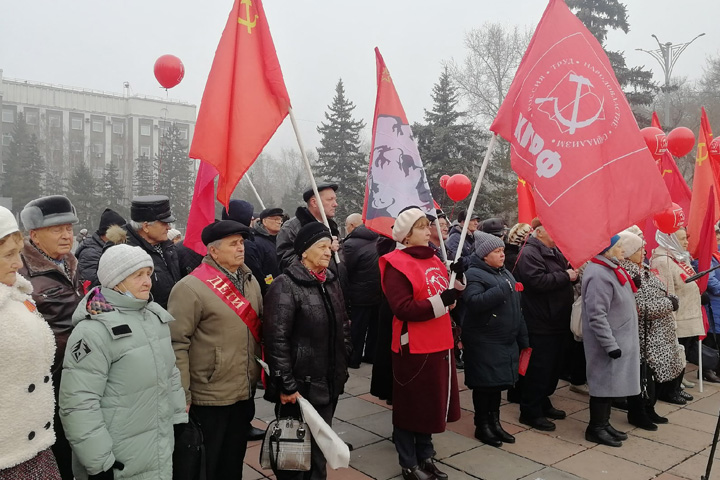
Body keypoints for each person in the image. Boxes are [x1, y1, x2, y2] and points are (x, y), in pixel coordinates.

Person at [59, 244, 187, 479]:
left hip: (157, 445)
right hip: (118, 457)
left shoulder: (154, 317)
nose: (147, 281)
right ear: (115, 280)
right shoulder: (93, 330)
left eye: (148, 273)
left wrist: (178, 420)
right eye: (137, 275)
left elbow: (171, 373)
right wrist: (98, 462)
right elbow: (78, 403)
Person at [168, 220, 263, 479]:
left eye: (242, 243)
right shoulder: (189, 288)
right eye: (233, 244)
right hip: (209, 393)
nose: (240, 248)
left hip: (243, 389)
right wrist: (183, 395)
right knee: (207, 464)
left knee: (233, 461)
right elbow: (177, 343)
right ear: (213, 251)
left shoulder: (250, 279)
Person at [379, 207, 462, 480]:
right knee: (411, 407)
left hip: (439, 343)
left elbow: (447, 296)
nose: (429, 231)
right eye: (422, 227)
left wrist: (457, 279)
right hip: (413, 346)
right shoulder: (395, 263)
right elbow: (403, 308)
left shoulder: (435, 259)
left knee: (431, 405)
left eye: (428, 226)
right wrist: (443, 300)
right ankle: (408, 462)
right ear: (406, 235)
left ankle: (426, 457)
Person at [264, 222, 351, 480]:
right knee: (295, 453)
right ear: (303, 252)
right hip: (301, 387)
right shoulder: (285, 285)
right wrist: (286, 385)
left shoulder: (331, 281)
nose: (328, 251)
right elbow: (276, 338)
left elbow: (344, 323)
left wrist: (345, 355)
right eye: (321, 246)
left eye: (329, 245)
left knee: (319, 451)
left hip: (329, 380)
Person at [19, 195, 83, 480]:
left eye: (68, 228)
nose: (66, 235)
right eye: (57, 229)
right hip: (44, 378)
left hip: (76, 369)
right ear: (34, 235)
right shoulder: (20, 271)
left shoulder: (71, 261)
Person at [0, 207, 61, 479]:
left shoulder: (16, 293)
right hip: (7, 454)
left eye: (18, 253)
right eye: (8, 255)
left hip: (34, 443)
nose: (18, 264)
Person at [463, 231, 529, 447]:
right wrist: (502, 289)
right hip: (485, 341)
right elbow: (473, 301)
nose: (502, 255)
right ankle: (482, 425)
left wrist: (522, 336)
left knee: (497, 386)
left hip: (504, 340)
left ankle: (495, 423)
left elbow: (515, 308)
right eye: (497, 251)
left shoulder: (503, 272)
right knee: (485, 386)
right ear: (484, 256)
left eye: (502, 250)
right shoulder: (474, 274)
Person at [514, 220, 576, 431]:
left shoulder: (553, 250)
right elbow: (537, 281)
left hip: (556, 318)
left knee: (552, 367)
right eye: (552, 229)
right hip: (540, 320)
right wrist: (565, 276)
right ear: (539, 232)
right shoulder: (530, 253)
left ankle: (542, 401)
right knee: (538, 368)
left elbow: (562, 275)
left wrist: (571, 275)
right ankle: (530, 411)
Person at [620, 231, 684, 428]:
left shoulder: (644, 268)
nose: (643, 251)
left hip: (657, 333)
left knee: (652, 375)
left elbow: (664, 292)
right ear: (629, 252)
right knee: (642, 375)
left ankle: (649, 409)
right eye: (639, 248)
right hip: (643, 334)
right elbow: (637, 308)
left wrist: (671, 300)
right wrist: (669, 303)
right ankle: (637, 412)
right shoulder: (628, 273)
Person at [581, 235, 640, 447]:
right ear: (607, 250)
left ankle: (603, 424)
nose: (623, 249)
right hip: (608, 342)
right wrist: (610, 345)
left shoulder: (610, 268)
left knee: (609, 386)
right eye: (619, 246)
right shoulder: (598, 274)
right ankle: (595, 428)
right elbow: (596, 315)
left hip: (618, 338)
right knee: (602, 385)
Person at [651, 228, 704, 403]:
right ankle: (669, 391)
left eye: (685, 238)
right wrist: (670, 319)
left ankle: (676, 388)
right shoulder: (663, 261)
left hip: (689, 315)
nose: (686, 242)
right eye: (682, 239)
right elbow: (668, 292)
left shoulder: (679, 258)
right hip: (678, 317)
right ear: (671, 240)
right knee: (675, 355)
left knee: (684, 354)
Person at [124, 195, 181, 309]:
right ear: (146, 226)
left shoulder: (168, 247)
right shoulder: (124, 253)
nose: (169, 228)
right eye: (164, 223)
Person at [276, 181, 341, 273]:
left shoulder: (332, 227)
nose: (335, 204)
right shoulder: (291, 228)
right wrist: (325, 249)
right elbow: (287, 263)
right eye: (330, 199)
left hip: (333, 286)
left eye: (335, 199)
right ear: (314, 202)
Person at [343, 213, 381, 368]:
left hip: (359, 294)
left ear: (352, 226)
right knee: (374, 328)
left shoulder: (350, 244)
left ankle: (353, 359)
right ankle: (371, 355)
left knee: (357, 329)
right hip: (378, 292)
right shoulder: (378, 239)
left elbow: (345, 270)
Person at [76, 208, 126, 289]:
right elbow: (92, 284)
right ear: (108, 232)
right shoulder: (90, 253)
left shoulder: (106, 248)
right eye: (119, 233)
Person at [253, 207, 284, 294]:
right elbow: (257, 271)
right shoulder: (257, 242)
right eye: (275, 219)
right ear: (265, 221)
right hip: (269, 291)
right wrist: (269, 286)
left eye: (280, 219)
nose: (279, 222)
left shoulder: (282, 241)